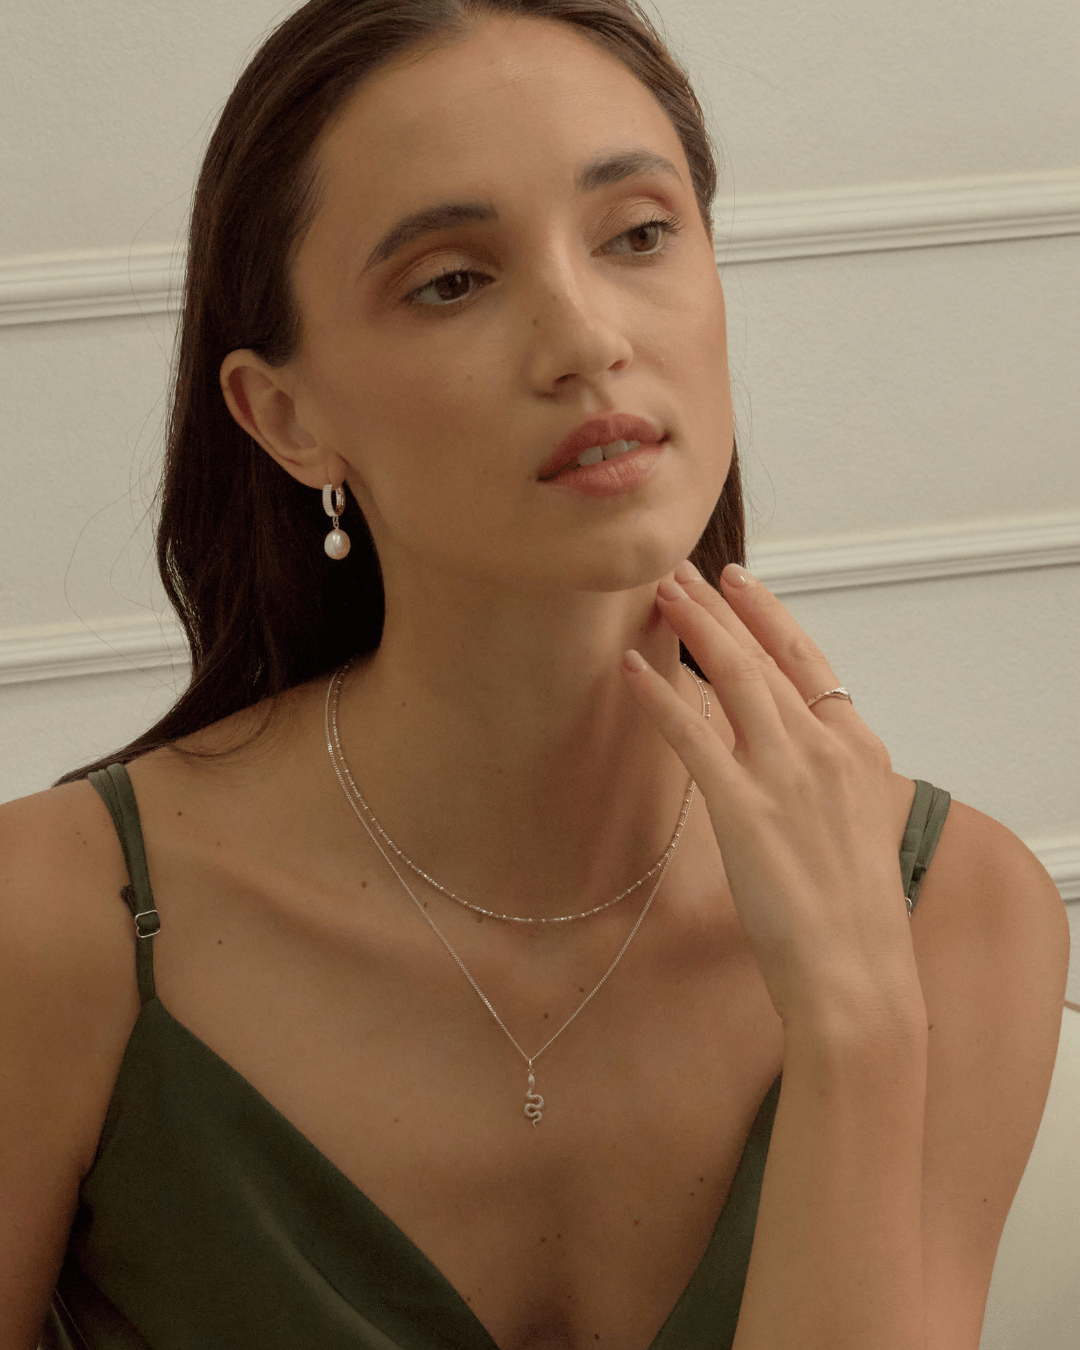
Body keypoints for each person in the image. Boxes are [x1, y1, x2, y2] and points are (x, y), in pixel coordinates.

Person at [0, 2, 1069, 1348]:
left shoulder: (961, 912)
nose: (586, 337)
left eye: (639, 234)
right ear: (286, 415)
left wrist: (856, 1023)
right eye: (453, 280)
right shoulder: (57, 924)